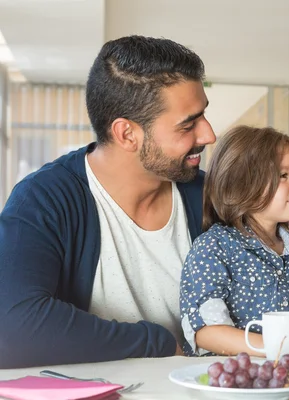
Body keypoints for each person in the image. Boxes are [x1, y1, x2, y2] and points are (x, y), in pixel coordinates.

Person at [0, 35, 216, 368]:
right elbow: (13, 329)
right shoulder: (44, 199)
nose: (208, 135)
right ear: (127, 133)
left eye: (202, 116)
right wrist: (155, 342)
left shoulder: (211, 197)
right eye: (188, 124)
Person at [180, 126, 289, 358]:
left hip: (283, 380)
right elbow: (206, 332)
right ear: (242, 184)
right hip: (224, 384)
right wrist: (274, 347)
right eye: (284, 176)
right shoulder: (214, 247)